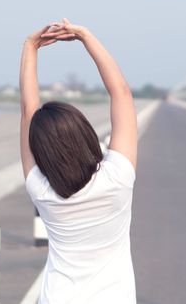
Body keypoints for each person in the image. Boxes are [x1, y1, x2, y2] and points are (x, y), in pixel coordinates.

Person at [19, 18, 138, 303]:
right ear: (86, 135)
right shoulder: (116, 178)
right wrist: (86, 37)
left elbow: (28, 110)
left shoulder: (42, 191)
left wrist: (30, 47)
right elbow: (120, 92)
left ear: (41, 149)